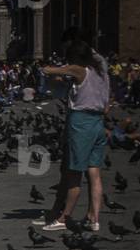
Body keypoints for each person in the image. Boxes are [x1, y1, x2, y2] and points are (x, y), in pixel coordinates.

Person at [41, 41, 109, 233]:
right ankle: (94, 219)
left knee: (74, 174)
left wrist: (47, 68)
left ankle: (64, 217)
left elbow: (51, 70)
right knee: (94, 174)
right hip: (98, 123)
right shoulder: (101, 73)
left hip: (81, 123)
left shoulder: (80, 70)